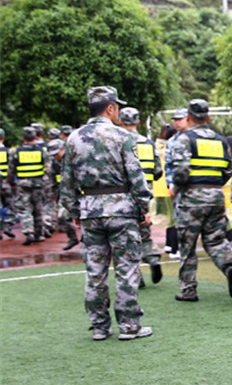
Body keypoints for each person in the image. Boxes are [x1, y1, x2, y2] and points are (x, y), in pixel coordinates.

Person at [59, 86, 153, 341]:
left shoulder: (73, 138)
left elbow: (66, 183)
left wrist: (75, 210)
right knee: (126, 269)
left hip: (90, 210)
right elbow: (136, 177)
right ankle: (130, 326)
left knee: (95, 272)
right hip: (122, 210)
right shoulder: (122, 136)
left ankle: (100, 326)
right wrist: (143, 209)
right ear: (110, 108)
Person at [169, 99, 232, 302]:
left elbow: (181, 171)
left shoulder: (184, 139)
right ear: (208, 117)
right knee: (216, 240)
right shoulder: (220, 140)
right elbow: (229, 169)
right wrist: (214, 185)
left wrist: (177, 188)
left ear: (188, 117)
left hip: (192, 197)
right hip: (216, 195)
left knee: (188, 244)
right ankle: (229, 266)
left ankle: (188, 289)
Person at [118, 107, 164, 285]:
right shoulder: (148, 144)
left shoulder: (118, 141)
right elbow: (158, 171)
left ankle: (136, 276)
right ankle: (152, 258)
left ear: (120, 122)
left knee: (126, 238)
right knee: (144, 233)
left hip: (124, 195)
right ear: (138, 122)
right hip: (145, 196)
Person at [8, 126, 49, 245]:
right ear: (35, 137)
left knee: (25, 208)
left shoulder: (16, 152)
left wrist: (12, 183)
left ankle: (28, 232)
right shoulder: (42, 151)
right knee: (38, 208)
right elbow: (48, 169)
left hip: (23, 184)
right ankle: (38, 233)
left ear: (23, 138)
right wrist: (46, 183)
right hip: (39, 184)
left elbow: (11, 170)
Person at [45, 139, 80, 251]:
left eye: (57, 153)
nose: (55, 156)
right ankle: (72, 238)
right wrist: (53, 194)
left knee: (85, 218)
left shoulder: (75, 159)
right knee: (62, 217)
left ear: (63, 149)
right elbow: (52, 180)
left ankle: (86, 239)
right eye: (53, 154)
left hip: (80, 193)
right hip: (64, 194)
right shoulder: (54, 163)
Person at [164, 108, 189, 259]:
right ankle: (180, 246)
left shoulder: (195, 137)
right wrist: (170, 184)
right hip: (179, 186)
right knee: (179, 217)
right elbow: (168, 165)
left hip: (196, 185)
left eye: (180, 119)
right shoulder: (172, 141)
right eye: (175, 120)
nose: (177, 123)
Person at [0, 128, 17, 239]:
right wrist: (12, 183)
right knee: (11, 205)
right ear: (3, 137)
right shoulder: (9, 152)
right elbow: (12, 169)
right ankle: (7, 226)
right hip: (6, 183)